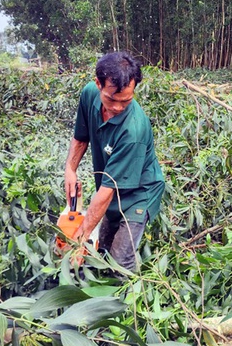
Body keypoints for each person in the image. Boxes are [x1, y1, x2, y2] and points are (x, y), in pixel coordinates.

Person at [64, 51, 165, 272]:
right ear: (98, 83)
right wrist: (70, 170)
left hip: (140, 193)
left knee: (120, 263)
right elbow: (81, 136)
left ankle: (129, 304)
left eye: (126, 101)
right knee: (103, 252)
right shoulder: (89, 94)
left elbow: (108, 190)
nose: (118, 107)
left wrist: (79, 238)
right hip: (111, 189)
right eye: (111, 99)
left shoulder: (133, 130)